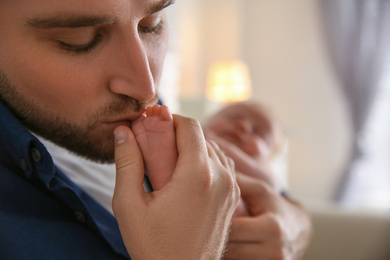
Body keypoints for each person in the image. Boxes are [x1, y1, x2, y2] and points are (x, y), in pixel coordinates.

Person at [0, 1, 312, 259]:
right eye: (79, 40)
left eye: (152, 23)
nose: (145, 86)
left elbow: (272, 203)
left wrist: (296, 224)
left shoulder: (143, 111)